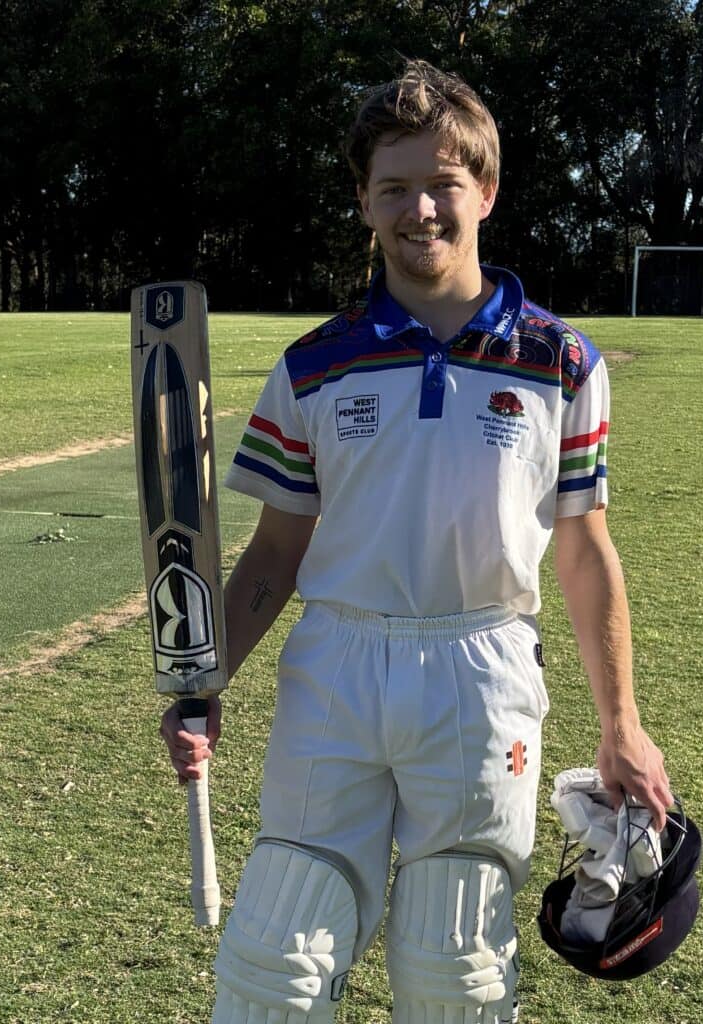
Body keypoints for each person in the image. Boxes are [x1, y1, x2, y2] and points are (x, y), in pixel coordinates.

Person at [161, 59, 673, 1023]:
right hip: (335, 669)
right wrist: (204, 683)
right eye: (392, 187)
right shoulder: (315, 364)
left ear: (484, 190)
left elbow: (582, 551)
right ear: (363, 201)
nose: (419, 210)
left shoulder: (558, 360)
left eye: (441, 183)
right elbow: (274, 555)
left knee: (455, 971)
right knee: (271, 970)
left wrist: (621, 723)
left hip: (481, 673)